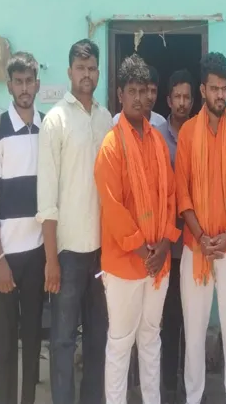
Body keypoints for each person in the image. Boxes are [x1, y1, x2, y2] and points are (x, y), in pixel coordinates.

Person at [94, 54, 180, 404]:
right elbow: (113, 208)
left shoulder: (157, 141)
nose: (140, 98)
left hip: (158, 263)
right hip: (125, 264)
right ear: (120, 95)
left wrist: (164, 245)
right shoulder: (111, 146)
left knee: (150, 337)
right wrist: (145, 250)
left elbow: (170, 196)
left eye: (145, 91)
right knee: (120, 342)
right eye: (132, 91)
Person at [175, 52, 226, 404]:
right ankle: (194, 397)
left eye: (225, 89)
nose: (221, 95)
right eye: (215, 89)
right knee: (194, 331)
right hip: (197, 248)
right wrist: (202, 237)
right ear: (203, 90)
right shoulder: (188, 134)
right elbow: (183, 193)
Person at [37, 39, 112, 404]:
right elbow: (46, 200)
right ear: (69, 72)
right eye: (80, 68)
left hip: (102, 253)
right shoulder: (55, 121)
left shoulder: (105, 118)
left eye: (92, 68)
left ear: (98, 72)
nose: (87, 74)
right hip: (67, 254)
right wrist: (51, 259)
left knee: (98, 337)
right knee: (63, 340)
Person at [0, 52, 46, 404]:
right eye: (18, 82)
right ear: (9, 86)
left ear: (37, 84)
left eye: (29, 81)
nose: (24, 88)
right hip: (7, 257)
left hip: (37, 255)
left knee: (33, 338)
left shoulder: (47, 127)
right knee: (5, 343)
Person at [158, 69, 194, 403]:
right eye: (177, 97)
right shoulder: (157, 136)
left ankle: (191, 388)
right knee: (168, 321)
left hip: (194, 246)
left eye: (187, 97)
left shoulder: (199, 135)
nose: (182, 102)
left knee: (192, 323)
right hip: (165, 249)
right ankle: (168, 387)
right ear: (168, 100)